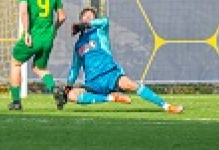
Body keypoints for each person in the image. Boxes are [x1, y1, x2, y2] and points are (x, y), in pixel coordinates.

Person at [55, 7, 183, 114]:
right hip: (93, 82)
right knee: (72, 96)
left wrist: (86, 24)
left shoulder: (100, 32)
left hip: (110, 74)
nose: (88, 18)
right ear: (80, 19)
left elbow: (105, 21)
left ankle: (167, 106)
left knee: (131, 84)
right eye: (85, 16)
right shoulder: (78, 45)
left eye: (91, 16)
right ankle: (111, 98)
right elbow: (75, 68)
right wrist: (69, 85)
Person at [7, 0, 66, 110]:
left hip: (32, 36)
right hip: (47, 38)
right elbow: (62, 17)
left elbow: (23, 11)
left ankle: (16, 101)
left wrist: (26, 32)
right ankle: (54, 89)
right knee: (39, 68)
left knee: (15, 63)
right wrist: (54, 30)